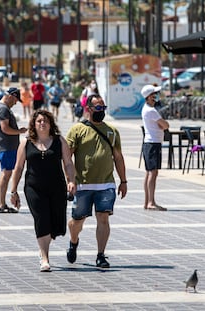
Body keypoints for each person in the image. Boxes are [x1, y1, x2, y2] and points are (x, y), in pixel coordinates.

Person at [65, 94, 127, 268]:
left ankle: (100, 255)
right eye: (98, 108)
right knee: (77, 221)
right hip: (82, 184)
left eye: (103, 108)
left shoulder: (112, 131)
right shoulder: (77, 129)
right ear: (88, 109)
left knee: (103, 218)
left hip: (106, 184)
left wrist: (123, 181)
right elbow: (67, 158)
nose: (101, 111)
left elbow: (118, 158)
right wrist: (69, 181)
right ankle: (73, 241)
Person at [10, 110, 76, 272]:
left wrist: (71, 181)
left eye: (45, 121)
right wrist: (13, 191)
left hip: (57, 187)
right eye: (39, 121)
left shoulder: (59, 141)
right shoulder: (26, 143)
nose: (42, 123)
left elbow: (68, 163)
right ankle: (45, 257)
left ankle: (43, 247)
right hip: (34, 188)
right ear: (34, 124)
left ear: (51, 123)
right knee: (41, 219)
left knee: (55, 222)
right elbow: (18, 168)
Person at [0, 87, 27, 213]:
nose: (16, 103)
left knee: (7, 174)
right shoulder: (3, 109)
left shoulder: (3, 108)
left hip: (9, 147)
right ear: (11, 96)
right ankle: (1, 204)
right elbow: (5, 129)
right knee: (6, 174)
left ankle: (2, 203)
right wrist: (19, 131)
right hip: (7, 147)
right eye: (16, 100)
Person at [141, 84, 169, 211]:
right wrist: (163, 124)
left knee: (149, 172)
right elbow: (165, 125)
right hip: (153, 143)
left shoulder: (147, 109)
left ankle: (147, 201)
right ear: (148, 97)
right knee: (153, 172)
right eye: (153, 95)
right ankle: (151, 201)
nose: (155, 97)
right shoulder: (151, 111)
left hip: (150, 143)